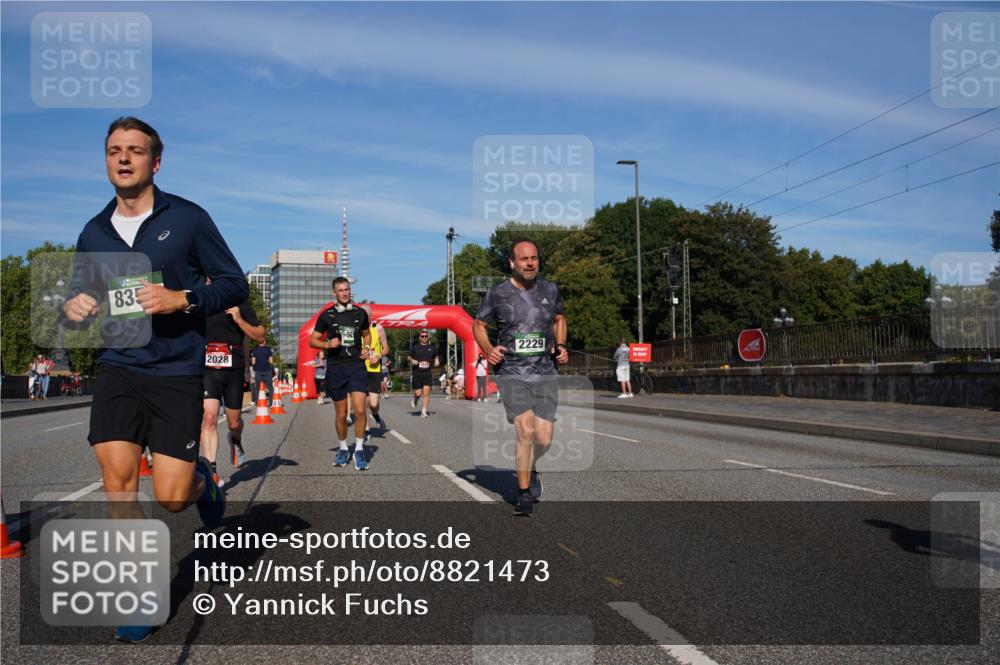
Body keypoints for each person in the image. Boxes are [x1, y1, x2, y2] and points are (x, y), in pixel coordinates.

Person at [62, 116, 246, 642]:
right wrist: (74, 307)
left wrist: (182, 298)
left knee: (171, 497)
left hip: (174, 371)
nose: (123, 159)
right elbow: (80, 296)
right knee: (118, 483)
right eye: (114, 150)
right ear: (106, 160)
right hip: (118, 368)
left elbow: (233, 284)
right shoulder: (92, 231)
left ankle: (203, 477)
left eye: (135, 151)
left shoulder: (186, 218)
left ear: (154, 162)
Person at [474, 238, 567, 516]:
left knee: (545, 438)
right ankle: (523, 493)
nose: (530, 263)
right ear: (512, 263)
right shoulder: (497, 293)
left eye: (534, 258)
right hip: (512, 372)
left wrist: (560, 347)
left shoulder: (550, 289)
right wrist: (489, 349)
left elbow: (559, 319)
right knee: (525, 431)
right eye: (524, 259)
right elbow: (479, 324)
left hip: (545, 372)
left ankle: (529, 467)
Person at [200, 285, 265, 487]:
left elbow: (260, 336)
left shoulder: (238, 302)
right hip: (207, 367)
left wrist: (238, 319)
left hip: (233, 368)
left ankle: (235, 440)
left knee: (234, 423)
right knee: (209, 416)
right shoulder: (199, 299)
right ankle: (212, 471)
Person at [309, 277, 372, 470]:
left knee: (360, 410)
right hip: (336, 367)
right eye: (341, 290)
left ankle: (359, 449)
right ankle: (344, 448)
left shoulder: (360, 313)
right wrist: (327, 344)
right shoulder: (326, 315)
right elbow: (313, 340)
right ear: (334, 293)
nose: (345, 293)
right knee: (342, 413)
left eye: (347, 289)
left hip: (356, 365)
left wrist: (367, 347)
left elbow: (366, 333)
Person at [360, 304, 388, 436]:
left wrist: (379, 356)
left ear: (372, 316)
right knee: (363, 403)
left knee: (373, 403)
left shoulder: (379, 329)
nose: (365, 318)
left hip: (374, 370)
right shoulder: (357, 329)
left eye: (367, 316)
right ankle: (366, 430)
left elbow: (386, 348)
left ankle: (376, 416)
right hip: (359, 370)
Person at [409, 330, 439, 417]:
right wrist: (412, 360)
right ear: (419, 338)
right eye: (422, 336)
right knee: (418, 393)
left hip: (427, 373)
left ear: (428, 337)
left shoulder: (432, 347)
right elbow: (408, 356)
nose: (424, 338)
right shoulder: (415, 347)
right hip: (417, 373)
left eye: (426, 336)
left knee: (426, 393)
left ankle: (424, 411)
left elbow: (436, 355)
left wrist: (437, 359)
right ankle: (415, 399)